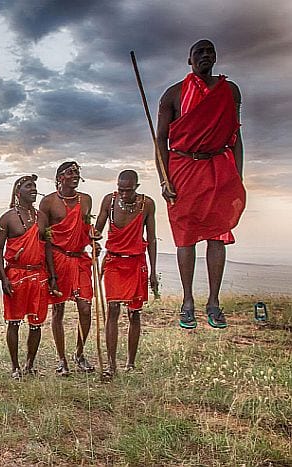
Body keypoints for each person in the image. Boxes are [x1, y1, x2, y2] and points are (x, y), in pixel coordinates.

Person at [156, 39, 246, 329]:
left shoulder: (229, 91)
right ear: (189, 60)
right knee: (185, 235)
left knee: (218, 234)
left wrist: (238, 176)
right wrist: (164, 178)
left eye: (210, 51)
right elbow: (160, 140)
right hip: (182, 167)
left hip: (219, 167)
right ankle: (187, 301)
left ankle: (214, 302)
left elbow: (235, 135)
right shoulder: (173, 94)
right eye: (199, 52)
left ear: (216, 57)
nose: (206, 55)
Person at [94, 170, 157, 378]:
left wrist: (153, 272)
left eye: (127, 190)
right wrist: (91, 236)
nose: (123, 194)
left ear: (136, 188)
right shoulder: (109, 201)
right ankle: (111, 364)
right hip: (114, 260)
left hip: (136, 261)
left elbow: (152, 239)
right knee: (113, 308)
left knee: (134, 313)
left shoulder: (146, 204)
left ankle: (130, 362)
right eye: (120, 189)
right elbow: (98, 230)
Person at [39, 161, 99, 376]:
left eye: (77, 172)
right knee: (58, 309)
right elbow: (44, 237)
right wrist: (51, 273)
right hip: (58, 258)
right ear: (59, 177)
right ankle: (62, 359)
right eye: (70, 172)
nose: (75, 175)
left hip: (80, 258)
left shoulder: (86, 200)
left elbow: (85, 228)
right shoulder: (48, 202)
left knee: (85, 307)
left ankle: (79, 354)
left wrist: (93, 238)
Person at [0, 175, 50, 379]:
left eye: (35, 186)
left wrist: (52, 276)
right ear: (18, 192)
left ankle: (30, 363)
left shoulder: (42, 218)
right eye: (29, 186)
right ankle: (15, 366)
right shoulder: (7, 218)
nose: (33, 189)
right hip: (16, 275)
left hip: (39, 275)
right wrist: (3, 278)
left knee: (36, 323)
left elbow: (48, 247)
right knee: (14, 322)